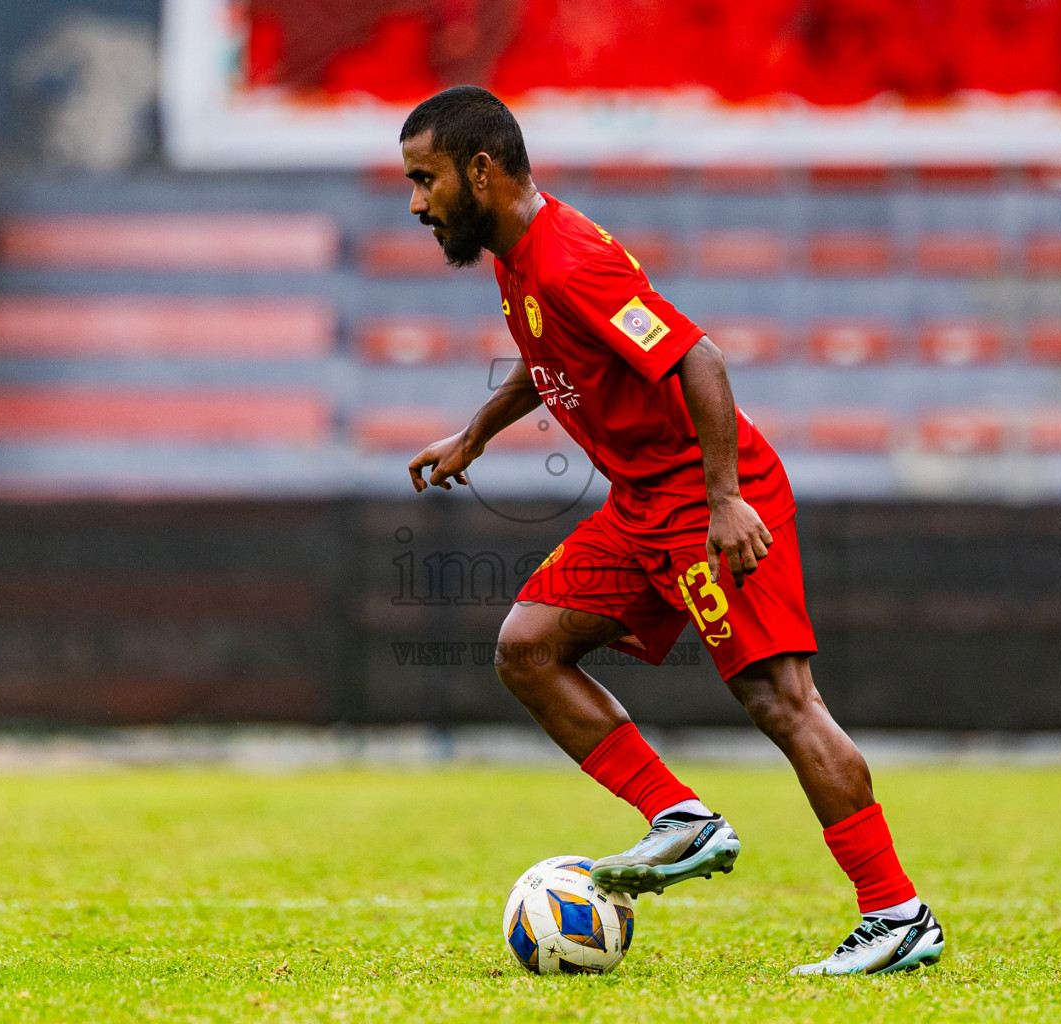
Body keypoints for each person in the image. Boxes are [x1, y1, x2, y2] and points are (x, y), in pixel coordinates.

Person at [400, 85, 944, 976]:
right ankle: (681, 819)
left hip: (705, 499)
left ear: (481, 169)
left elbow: (698, 357)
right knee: (528, 646)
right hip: (642, 506)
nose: (417, 203)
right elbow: (553, 362)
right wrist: (474, 435)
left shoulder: (570, 257)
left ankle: (896, 913)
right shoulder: (515, 257)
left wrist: (727, 499)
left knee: (781, 702)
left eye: (426, 180)